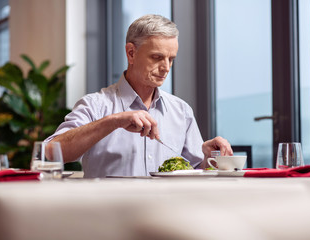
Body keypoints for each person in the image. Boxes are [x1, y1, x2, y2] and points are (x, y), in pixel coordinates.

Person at [45, 14, 233, 177]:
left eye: (171, 59)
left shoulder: (181, 111)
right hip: (108, 216)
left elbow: (192, 170)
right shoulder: (95, 105)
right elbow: (52, 151)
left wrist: (209, 158)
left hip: (166, 214)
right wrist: (113, 121)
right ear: (131, 53)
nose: (166, 67)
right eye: (157, 57)